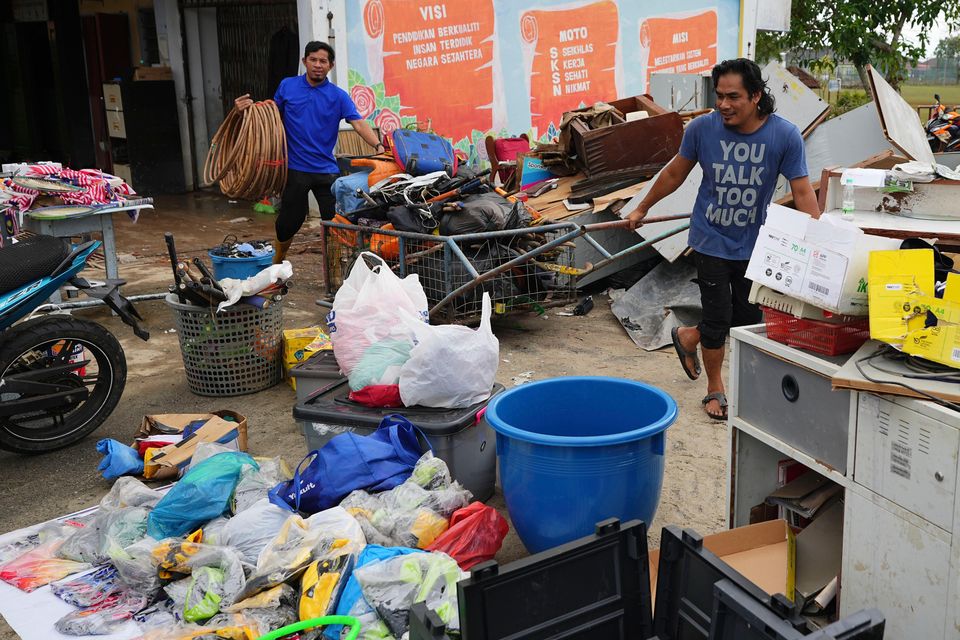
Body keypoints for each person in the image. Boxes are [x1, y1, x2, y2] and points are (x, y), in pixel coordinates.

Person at [624, 58, 820, 421]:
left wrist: (819, 240)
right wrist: (642, 208)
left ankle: (688, 337)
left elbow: (803, 191)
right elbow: (673, 174)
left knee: (746, 320)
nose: (724, 105)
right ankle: (715, 388)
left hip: (755, 244)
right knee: (718, 317)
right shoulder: (702, 130)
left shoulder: (784, 136)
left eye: (734, 97)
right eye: (719, 96)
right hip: (710, 239)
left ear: (756, 96)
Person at [235, 41, 383, 264]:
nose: (317, 65)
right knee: (288, 222)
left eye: (323, 61)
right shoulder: (287, 86)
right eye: (313, 60)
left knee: (334, 222)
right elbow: (269, 117)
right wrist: (245, 112)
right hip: (295, 169)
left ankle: (334, 272)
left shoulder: (338, 96)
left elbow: (359, 124)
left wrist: (379, 147)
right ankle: (278, 261)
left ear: (330, 66)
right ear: (304, 61)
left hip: (326, 170)